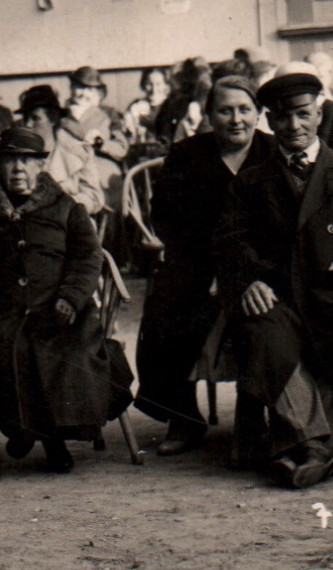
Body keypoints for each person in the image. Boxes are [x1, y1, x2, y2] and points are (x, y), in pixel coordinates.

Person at [214, 62, 333, 488]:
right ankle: (318, 446)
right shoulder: (250, 181)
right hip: (278, 294)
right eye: (283, 116)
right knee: (266, 337)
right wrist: (248, 280)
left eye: (303, 113)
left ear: (320, 114)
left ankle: (303, 447)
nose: (294, 125)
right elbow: (229, 243)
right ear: (269, 120)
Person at [0, 126, 132, 473]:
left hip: (62, 311)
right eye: (9, 160)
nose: (18, 169)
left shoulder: (66, 208)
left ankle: (38, 434)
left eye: (27, 161)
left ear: (40, 165)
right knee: (12, 351)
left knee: (68, 352)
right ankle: (45, 439)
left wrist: (71, 298)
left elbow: (89, 257)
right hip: (3, 313)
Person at [134, 75, 274, 454]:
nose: (236, 119)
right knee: (167, 310)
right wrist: (211, 266)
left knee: (267, 314)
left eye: (245, 109)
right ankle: (183, 417)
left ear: (259, 113)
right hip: (198, 260)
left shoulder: (273, 153)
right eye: (225, 110)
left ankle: (255, 415)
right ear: (210, 114)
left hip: (260, 264)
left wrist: (241, 267)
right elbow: (165, 217)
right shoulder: (186, 155)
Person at [16, 85, 107, 218]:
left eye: (35, 118)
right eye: (26, 118)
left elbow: (94, 198)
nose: (28, 124)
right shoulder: (16, 155)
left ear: (53, 119)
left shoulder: (77, 152)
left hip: (69, 222)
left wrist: (62, 206)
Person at [64, 66, 131, 214]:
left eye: (91, 89)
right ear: (71, 88)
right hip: (68, 167)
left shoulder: (108, 114)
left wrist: (101, 143)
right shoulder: (62, 114)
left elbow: (121, 148)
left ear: (99, 93)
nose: (84, 93)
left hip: (100, 167)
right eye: (80, 87)